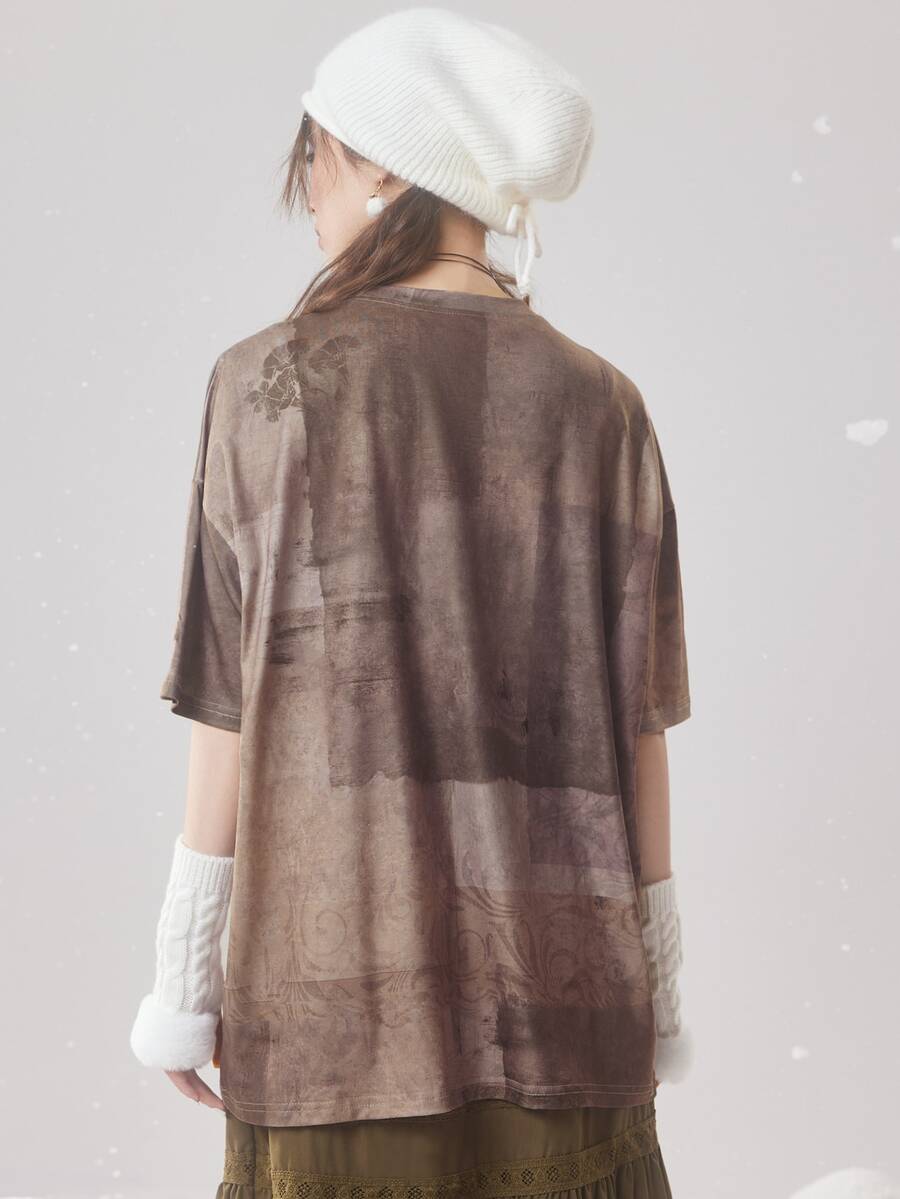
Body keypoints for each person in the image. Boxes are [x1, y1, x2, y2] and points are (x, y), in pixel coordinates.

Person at [129, 8, 694, 1197]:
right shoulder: (605, 406)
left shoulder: (267, 384)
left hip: (334, 1017)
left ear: (383, 164)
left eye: (318, 158)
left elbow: (229, 713)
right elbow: (637, 733)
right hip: (569, 1021)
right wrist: (661, 990)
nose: (312, 194)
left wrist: (184, 979)